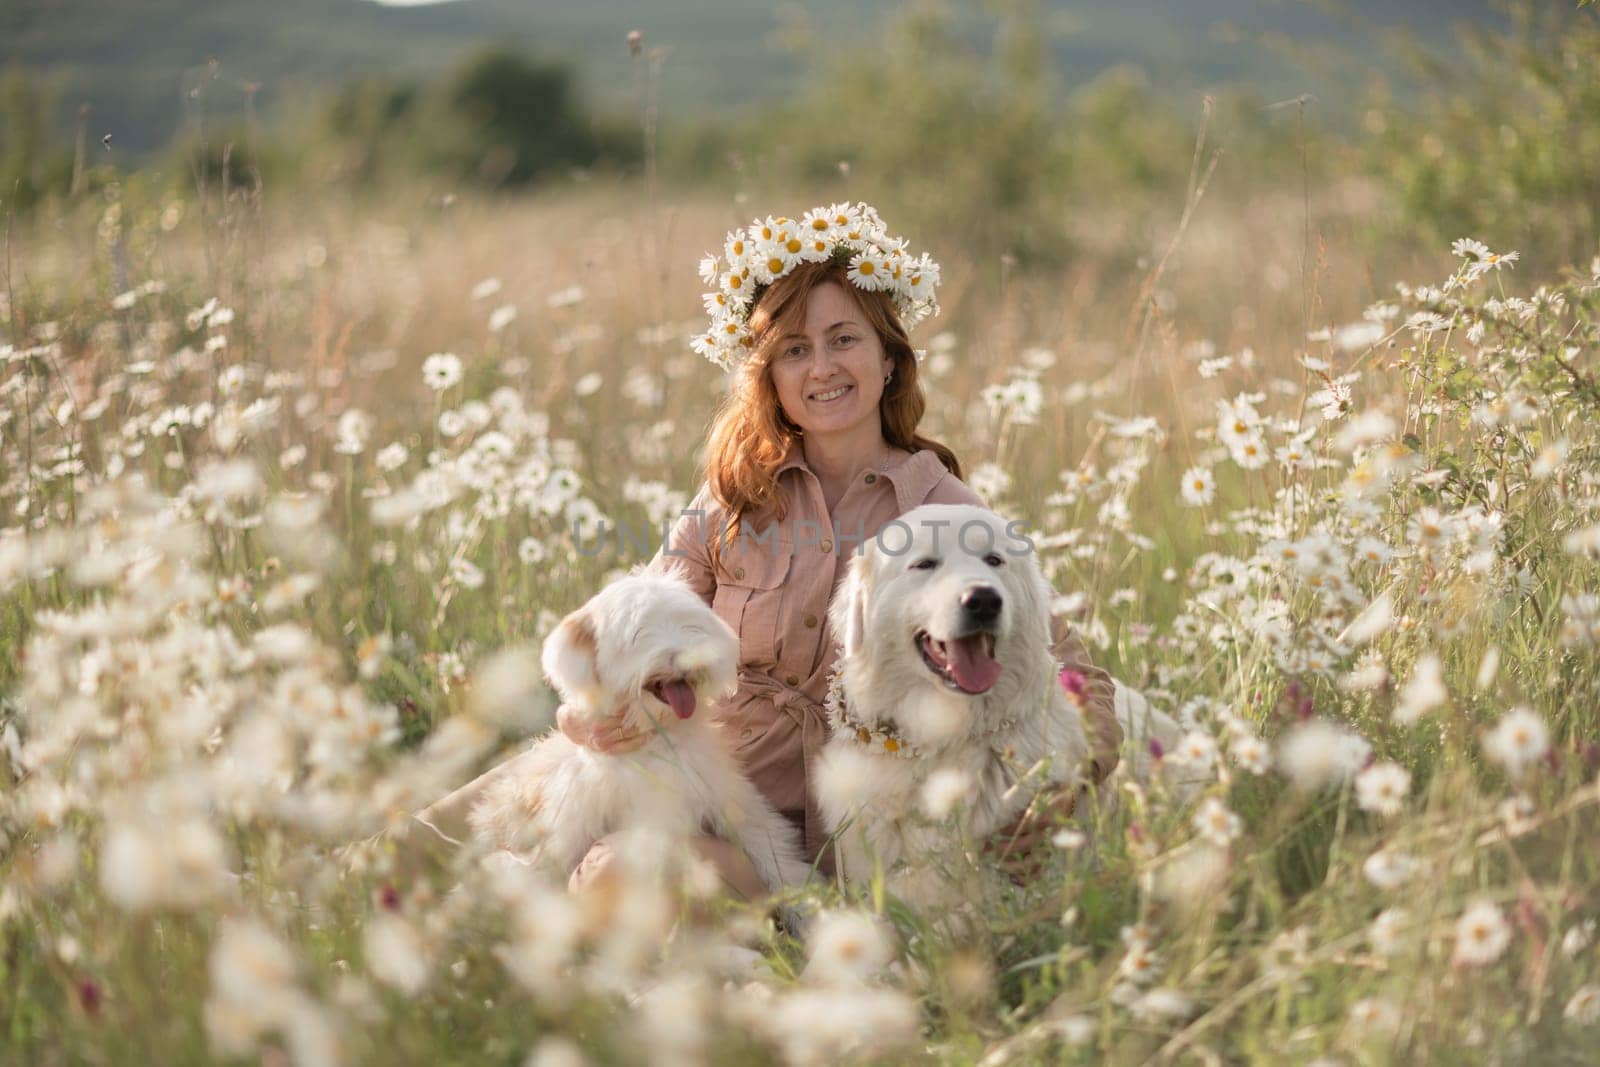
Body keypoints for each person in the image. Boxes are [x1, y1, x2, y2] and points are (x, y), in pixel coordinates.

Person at [412, 203, 1122, 900]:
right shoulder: (732, 500)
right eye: (794, 349)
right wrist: (578, 717)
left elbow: (1077, 675)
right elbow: (638, 625)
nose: (823, 367)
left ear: (888, 357)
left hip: (853, 846)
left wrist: (1055, 799)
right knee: (527, 781)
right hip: (711, 803)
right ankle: (371, 869)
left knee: (617, 871)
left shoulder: (946, 519)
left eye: (845, 338)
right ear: (771, 377)